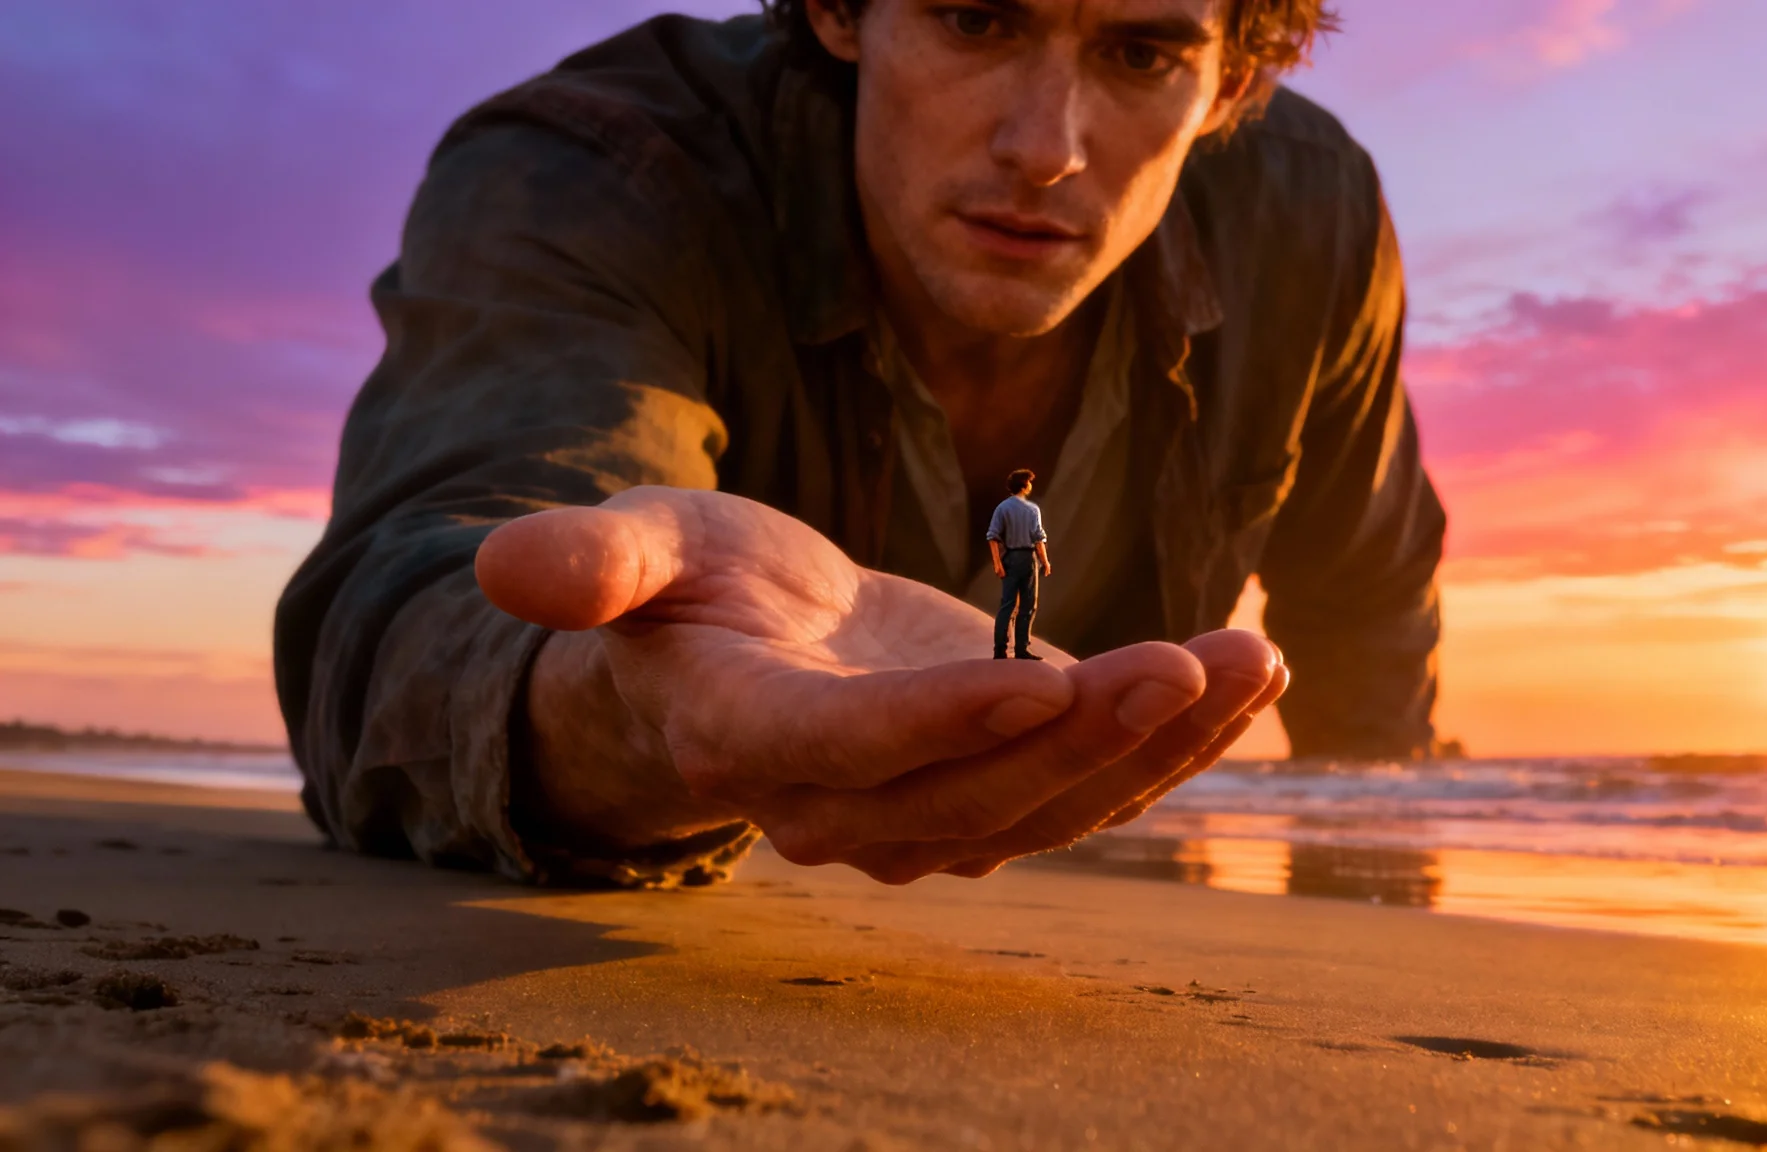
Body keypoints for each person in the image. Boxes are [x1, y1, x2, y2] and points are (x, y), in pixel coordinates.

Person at [274, 0, 1446, 891]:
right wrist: (633, 712)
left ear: (1232, 77)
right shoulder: (592, 168)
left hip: (1111, 865)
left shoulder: (1308, 212)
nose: (1045, 148)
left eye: (1141, 54)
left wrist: (1376, 893)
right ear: (837, 9)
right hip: (719, 890)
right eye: (974, 18)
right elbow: (411, 611)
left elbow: (1363, 599)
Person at [988, 469, 1052, 660]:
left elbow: (992, 537)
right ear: (1025, 485)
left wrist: (997, 563)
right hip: (1027, 559)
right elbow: (1039, 539)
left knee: (1006, 605)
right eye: (1029, 482)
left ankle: (1000, 649)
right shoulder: (1032, 509)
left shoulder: (1002, 508)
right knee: (1028, 605)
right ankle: (1021, 648)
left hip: (1009, 558)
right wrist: (1045, 561)